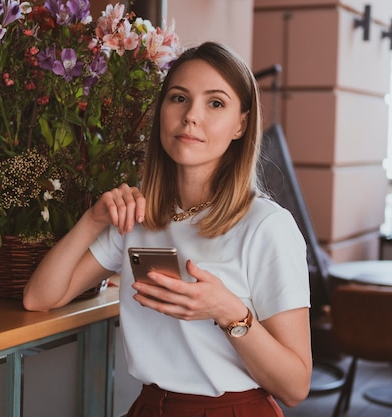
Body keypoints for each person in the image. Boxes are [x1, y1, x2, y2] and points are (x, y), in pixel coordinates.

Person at [23, 41, 312, 416]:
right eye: (179, 98)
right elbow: (39, 298)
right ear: (162, 110)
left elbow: (295, 386)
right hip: (150, 408)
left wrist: (228, 312)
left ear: (241, 124)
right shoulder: (140, 215)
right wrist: (93, 219)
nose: (191, 116)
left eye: (215, 103)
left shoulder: (266, 226)